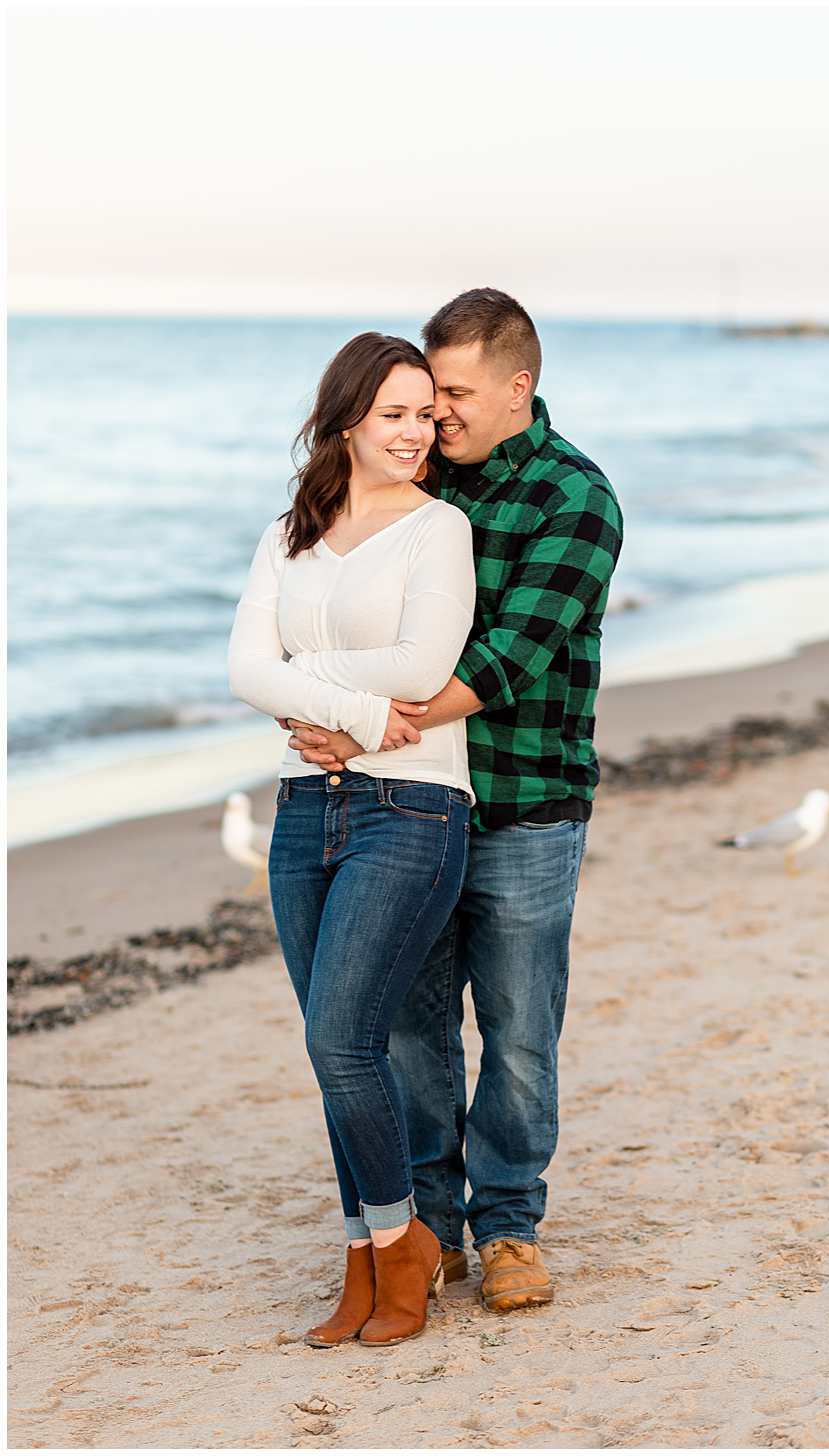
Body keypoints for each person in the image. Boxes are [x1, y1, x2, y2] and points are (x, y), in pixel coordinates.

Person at [285, 289, 623, 1315]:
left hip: (524, 805)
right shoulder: (418, 488)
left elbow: (509, 655)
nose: (437, 416)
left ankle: (510, 1222)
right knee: (407, 1029)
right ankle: (427, 1222)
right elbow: (332, 607)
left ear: (519, 386)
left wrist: (361, 723)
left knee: (519, 1027)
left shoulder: (575, 497)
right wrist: (313, 696)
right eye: (428, 397)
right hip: (412, 808)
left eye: (457, 395)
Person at [228, 332, 477, 1347]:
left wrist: (344, 699)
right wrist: (367, 715)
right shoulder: (290, 529)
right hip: (302, 806)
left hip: (413, 807)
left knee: (343, 1038)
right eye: (395, 415)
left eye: (426, 414)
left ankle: (403, 1243)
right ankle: (368, 1251)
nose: (419, 431)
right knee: (336, 1055)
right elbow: (248, 667)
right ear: (344, 420)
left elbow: (427, 661)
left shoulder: (440, 529)